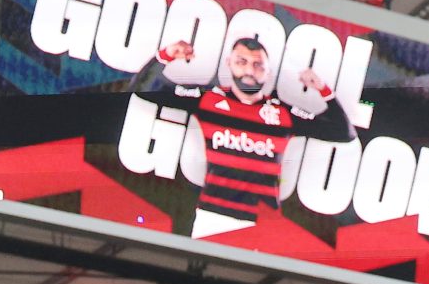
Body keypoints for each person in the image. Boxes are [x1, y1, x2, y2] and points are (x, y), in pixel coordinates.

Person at [136, 31, 356, 240]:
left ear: (268, 72)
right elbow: (142, 89)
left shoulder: (283, 114)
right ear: (229, 63)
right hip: (212, 218)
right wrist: (165, 55)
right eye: (242, 62)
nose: (250, 71)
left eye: (257, 65)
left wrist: (323, 89)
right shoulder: (207, 99)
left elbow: (343, 133)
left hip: (261, 225)